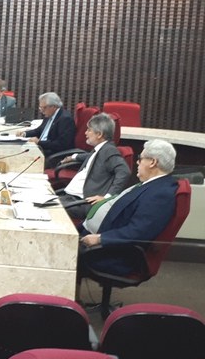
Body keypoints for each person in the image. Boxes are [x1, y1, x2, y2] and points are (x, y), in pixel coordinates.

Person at [78, 139, 178, 275]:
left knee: (58, 250)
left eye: (140, 158)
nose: (137, 162)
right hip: (96, 236)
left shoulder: (161, 194)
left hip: (110, 252)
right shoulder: (152, 184)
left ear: (152, 162)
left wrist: (100, 238)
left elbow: (138, 232)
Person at [59, 113, 131, 219]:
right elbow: (92, 156)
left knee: (43, 207)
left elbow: (124, 171)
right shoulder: (101, 148)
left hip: (82, 203)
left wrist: (107, 197)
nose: (85, 133)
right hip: (72, 198)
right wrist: (74, 157)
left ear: (99, 134)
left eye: (89, 130)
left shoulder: (109, 150)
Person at [19, 92, 75, 156]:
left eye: (44, 107)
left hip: (52, 152)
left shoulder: (65, 119)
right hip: (41, 147)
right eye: (40, 107)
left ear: (54, 106)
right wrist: (25, 134)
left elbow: (62, 144)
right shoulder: (49, 114)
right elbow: (39, 130)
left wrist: (39, 142)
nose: (42, 111)